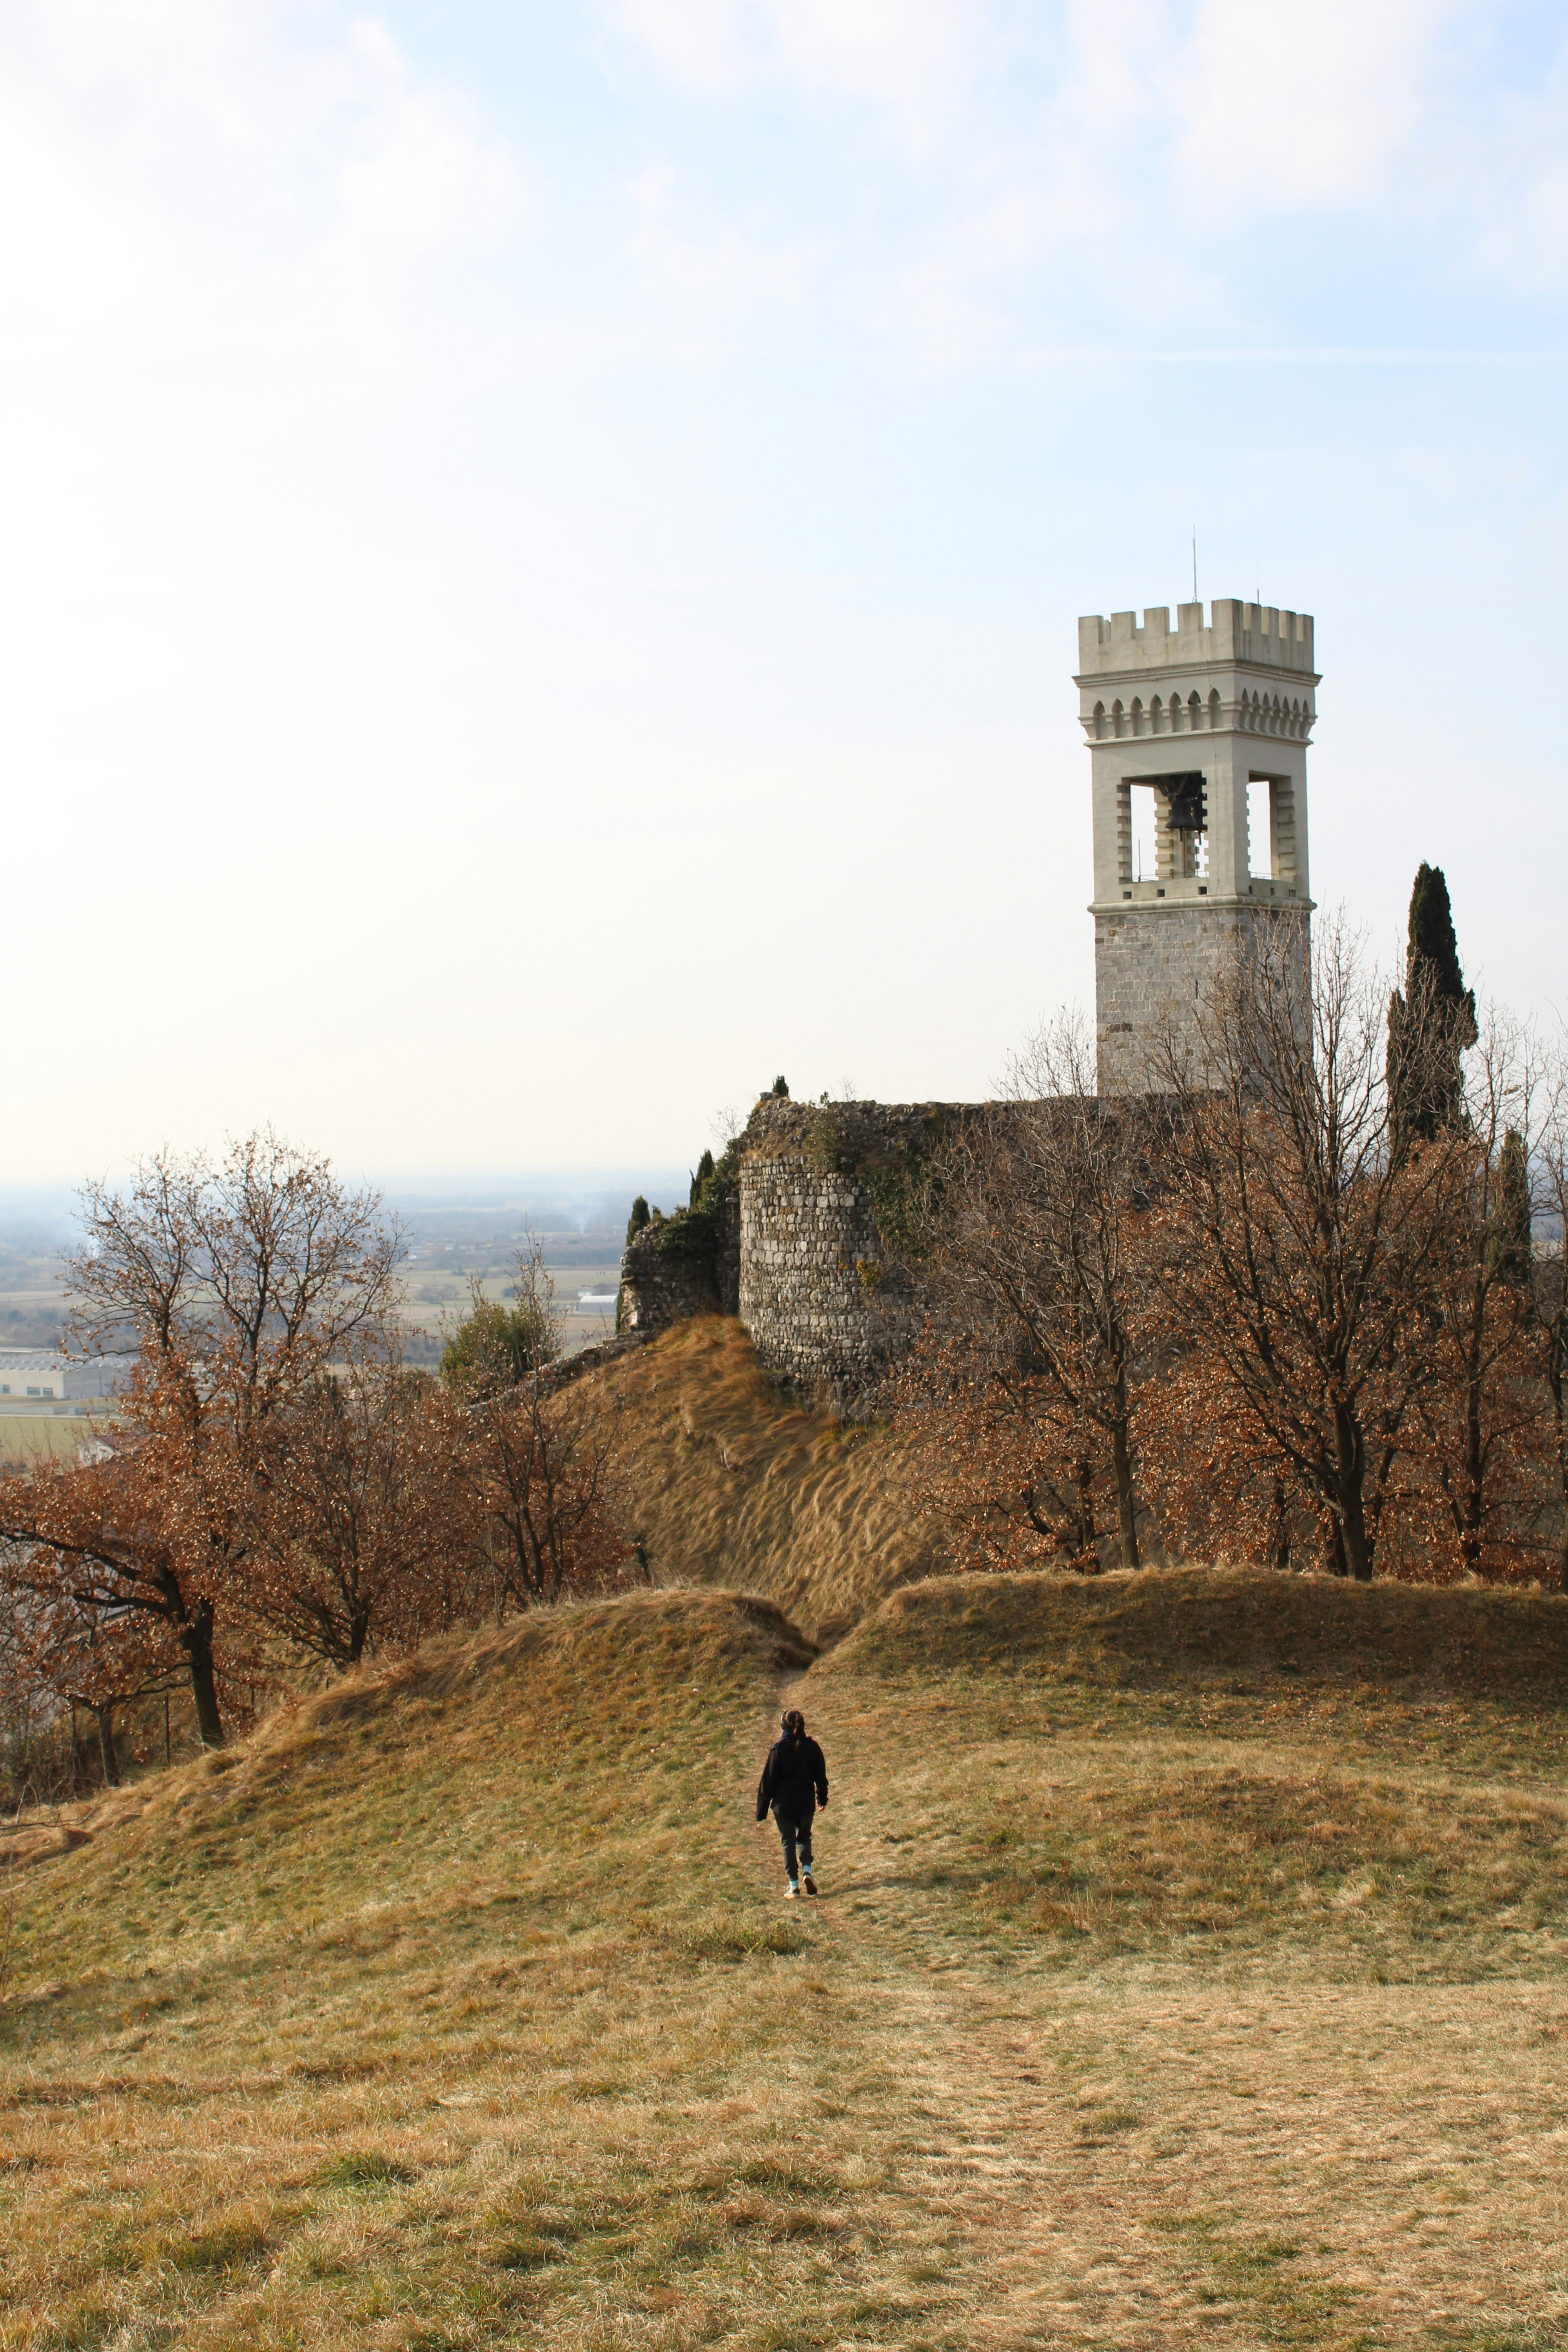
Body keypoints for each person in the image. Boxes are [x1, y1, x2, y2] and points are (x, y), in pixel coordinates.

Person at [756, 1707, 829, 1898]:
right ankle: (807, 1871)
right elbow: (821, 1777)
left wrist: (761, 1811)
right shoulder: (813, 1748)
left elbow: (768, 1782)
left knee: (788, 1841)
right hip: (806, 1805)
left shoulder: (778, 1749)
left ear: (783, 1725)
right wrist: (822, 1798)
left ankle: (794, 1886)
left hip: (784, 1806)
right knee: (804, 1837)